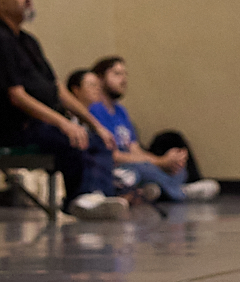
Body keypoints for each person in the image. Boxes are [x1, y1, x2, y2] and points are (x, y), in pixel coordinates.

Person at [0, 0, 125, 220]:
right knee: (70, 140)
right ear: (0, 3)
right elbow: (17, 96)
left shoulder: (28, 42)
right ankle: (80, 198)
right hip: (16, 128)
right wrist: (63, 123)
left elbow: (58, 89)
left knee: (98, 140)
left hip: (42, 125)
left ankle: (97, 196)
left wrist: (94, 123)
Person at [89, 56, 220, 202]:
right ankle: (179, 192)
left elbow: (135, 149)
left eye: (125, 74)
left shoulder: (121, 111)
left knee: (177, 169)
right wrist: (160, 162)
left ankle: (154, 190)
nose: (123, 80)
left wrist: (166, 162)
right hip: (117, 166)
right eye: (117, 74)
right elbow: (113, 155)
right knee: (138, 171)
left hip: (134, 162)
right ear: (100, 78)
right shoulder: (95, 110)